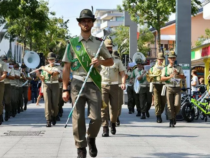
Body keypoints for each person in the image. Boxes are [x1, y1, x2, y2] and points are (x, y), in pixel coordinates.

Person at [62, 9, 113, 158]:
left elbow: (110, 61)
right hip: (77, 83)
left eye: (89, 21)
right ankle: (81, 147)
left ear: (92, 23)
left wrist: (100, 62)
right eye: (83, 21)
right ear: (79, 24)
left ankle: (91, 138)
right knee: (78, 118)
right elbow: (66, 68)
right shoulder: (72, 43)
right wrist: (65, 88)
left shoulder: (98, 43)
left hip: (93, 84)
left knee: (96, 118)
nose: (86, 23)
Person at [101, 41, 126, 137]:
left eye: (110, 47)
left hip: (115, 86)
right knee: (103, 107)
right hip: (103, 86)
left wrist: (123, 83)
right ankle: (105, 127)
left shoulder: (117, 61)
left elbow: (122, 73)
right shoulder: (100, 60)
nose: (108, 49)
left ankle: (112, 123)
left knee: (115, 108)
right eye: (107, 47)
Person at [161, 51, 185, 127]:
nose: (172, 59)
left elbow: (183, 77)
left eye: (173, 58)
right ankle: (171, 120)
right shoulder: (165, 69)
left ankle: (173, 116)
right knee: (169, 106)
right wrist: (169, 77)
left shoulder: (179, 67)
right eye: (171, 58)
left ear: (175, 58)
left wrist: (177, 73)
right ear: (168, 59)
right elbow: (162, 78)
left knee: (177, 105)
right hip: (169, 88)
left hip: (177, 88)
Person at [36, 52, 60, 127]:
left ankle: (54, 115)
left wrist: (45, 69)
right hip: (46, 84)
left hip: (55, 84)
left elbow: (54, 74)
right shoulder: (45, 67)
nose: (51, 61)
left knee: (55, 103)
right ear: (47, 60)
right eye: (50, 60)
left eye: (52, 59)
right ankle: (48, 119)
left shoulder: (57, 67)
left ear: (55, 59)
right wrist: (38, 75)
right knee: (47, 102)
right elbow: (43, 79)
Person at [149, 53, 166, 123]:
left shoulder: (165, 67)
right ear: (157, 59)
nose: (161, 61)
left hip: (164, 86)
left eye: (162, 59)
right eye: (160, 59)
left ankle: (160, 112)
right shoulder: (153, 68)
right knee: (157, 101)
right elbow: (149, 77)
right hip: (156, 85)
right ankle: (158, 116)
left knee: (163, 102)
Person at [2, 56, 15, 121]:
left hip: (7, 84)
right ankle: (1, 116)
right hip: (1, 83)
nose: (4, 61)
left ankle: (7, 114)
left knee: (7, 100)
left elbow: (13, 77)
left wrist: (7, 76)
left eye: (5, 60)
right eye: (3, 60)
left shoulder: (10, 68)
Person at [0, 57, 8, 124]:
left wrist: (1, 78)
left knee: (0, 101)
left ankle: (0, 115)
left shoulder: (2, 63)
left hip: (0, 83)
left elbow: (4, 74)